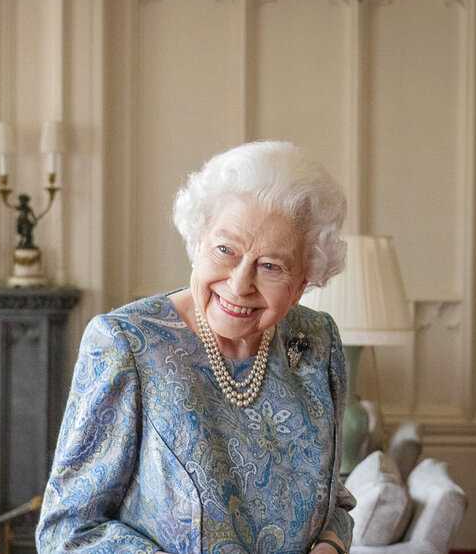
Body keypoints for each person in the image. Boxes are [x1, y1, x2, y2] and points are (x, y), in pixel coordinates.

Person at [36, 141, 355, 554]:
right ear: (198, 242)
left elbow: (333, 500)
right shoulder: (127, 345)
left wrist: (331, 545)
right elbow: (68, 531)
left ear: (302, 284)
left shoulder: (317, 341)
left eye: (271, 266)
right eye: (226, 250)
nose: (240, 284)